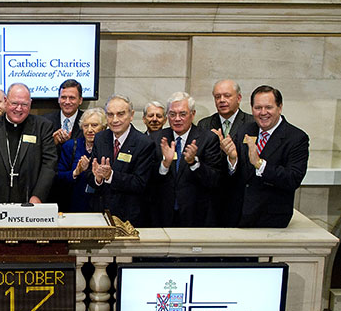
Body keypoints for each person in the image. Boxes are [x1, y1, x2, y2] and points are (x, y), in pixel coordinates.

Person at [219, 85, 309, 228]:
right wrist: (232, 160)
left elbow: (292, 179)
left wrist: (260, 164)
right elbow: (234, 176)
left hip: (270, 218)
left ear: (279, 108)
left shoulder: (296, 138)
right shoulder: (245, 130)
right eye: (258, 108)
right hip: (237, 215)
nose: (263, 112)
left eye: (268, 107)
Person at [0, 83, 57, 209]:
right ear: (5, 101)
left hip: (31, 203)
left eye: (24, 104)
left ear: (30, 103)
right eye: (14, 103)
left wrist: (38, 196)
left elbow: (49, 164)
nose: (19, 109)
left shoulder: (42, 127)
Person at [149, 92, 222, 227]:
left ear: (192, 114)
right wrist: (164, 165)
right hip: (162, 214)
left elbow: (214, 179)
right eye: (172, 114)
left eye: (182, 114)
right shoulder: (156, 139)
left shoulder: (207, 139)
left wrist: (194, 163)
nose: (177, 119)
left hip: (196, 214)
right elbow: (148, 179)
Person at [87, 95, 155, 226]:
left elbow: (140, 183)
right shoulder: (100, 138)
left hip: (128, 217)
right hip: (100, 213)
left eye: (120, 114)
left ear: (131, 115)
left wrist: (111, 176)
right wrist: (98, 178)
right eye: (110, 115)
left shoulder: (144, 143)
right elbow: (91, 174)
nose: (115, 120)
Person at [197, 80, 254, 226]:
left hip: (241, 197)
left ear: (239, 98)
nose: (222, 100)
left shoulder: (252, 123)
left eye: (227, 96)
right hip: (212, 198)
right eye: (217, 96)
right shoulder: (204, 124)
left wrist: (232, 157)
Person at [56, 108, 107, 212]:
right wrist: (76, 172)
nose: (89, 130)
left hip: (100, 206)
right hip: (74, 205)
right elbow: (58, 176)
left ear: (103, 128)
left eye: (94, 125)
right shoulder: (70, 146)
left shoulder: (108, 148)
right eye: (85, 126)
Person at [42, 79, 85, 146]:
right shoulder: (45, 121)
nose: (67, 102)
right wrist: (53, 142)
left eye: (72, 98)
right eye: (63, 97)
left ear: (80, 100)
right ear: (58, 99)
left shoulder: (87, 121)